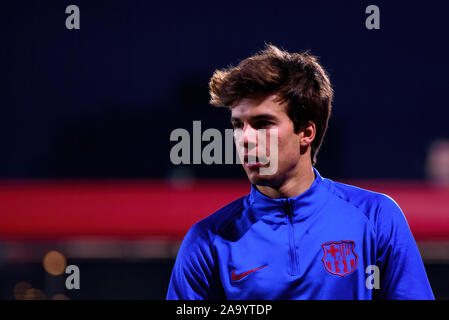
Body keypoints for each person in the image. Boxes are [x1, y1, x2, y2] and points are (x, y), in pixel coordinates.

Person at [166, 44, 434, 299]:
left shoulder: (376, 218)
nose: (244, 138)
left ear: (306, 132)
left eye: (262, 123)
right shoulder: (206, 242)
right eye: (238, 125)